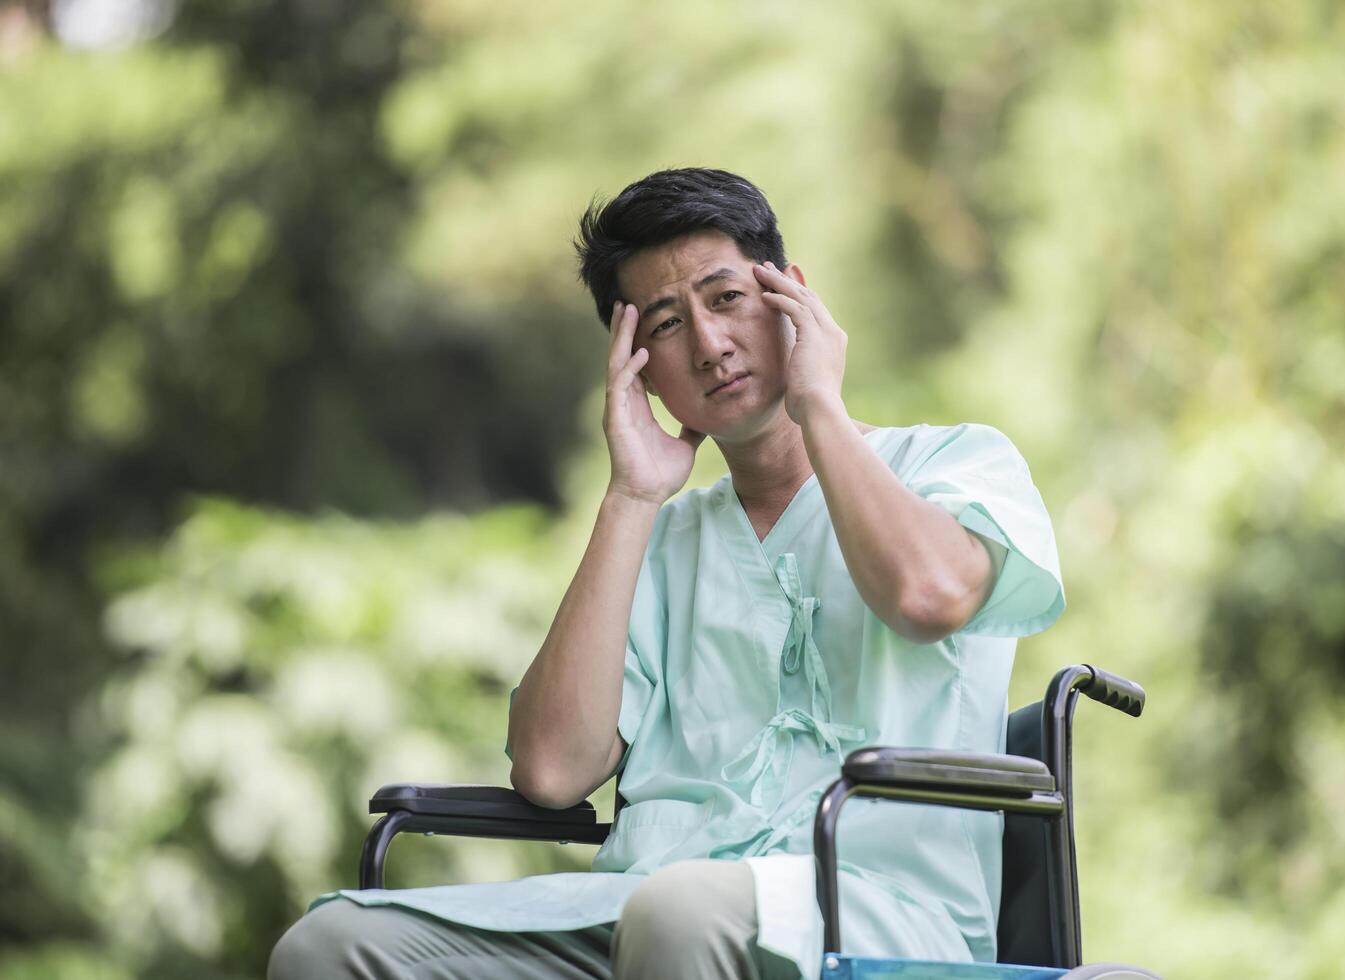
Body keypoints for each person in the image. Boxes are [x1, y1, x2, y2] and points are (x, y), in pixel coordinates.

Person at [268, 167, 1064, 979]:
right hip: (636, 915)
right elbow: (551, 771)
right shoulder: (659, 541)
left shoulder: (953, 464)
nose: (710, 345)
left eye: (726, 300)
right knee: (333, 946)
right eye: (667, 324)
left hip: (872, 912)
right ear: (639, 367)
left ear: (791, 297)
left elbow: (927, 597)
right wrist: (629, 495)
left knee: (678, 913)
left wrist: (817, 404)